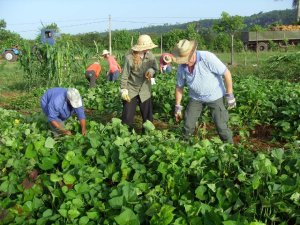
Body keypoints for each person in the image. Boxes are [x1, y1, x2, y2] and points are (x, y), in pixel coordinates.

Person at [172, 39, 236, 143]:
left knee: (221, 125)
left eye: (188, 58)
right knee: (188, 123)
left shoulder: (207, 57)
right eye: (184, 60)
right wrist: (177, 106)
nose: (187, 62)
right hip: (196, 97)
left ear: (193, 52)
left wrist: (230, 95)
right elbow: (179, 86)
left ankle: (229, 148)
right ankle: (183, 146)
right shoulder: (182, 67)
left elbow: (226, 73)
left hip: (215, 96)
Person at [120, 34, 159, 131]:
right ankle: (125, 136)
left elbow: (155, 68)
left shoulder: (151, 56)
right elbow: (125, 75)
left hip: (145, 90)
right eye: (146, 48)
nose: (148, 49)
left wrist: (151, 71)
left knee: (148, 118)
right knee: (127, 117)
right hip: (131, 90)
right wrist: (123, 90)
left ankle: (147, 136)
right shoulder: (129, 58)